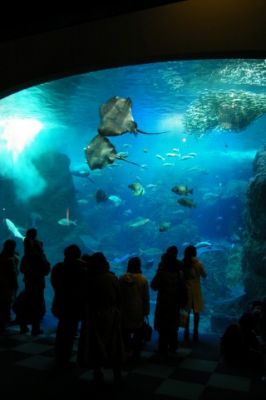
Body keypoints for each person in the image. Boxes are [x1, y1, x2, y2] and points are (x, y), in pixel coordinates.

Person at [78, 252, 125, 384]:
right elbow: (119, 298)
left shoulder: (89, 279)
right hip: (111, 314)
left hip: (93, 314)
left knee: (95, 343)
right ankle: (117, 373)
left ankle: (97, 371)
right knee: (113, 342)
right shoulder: (112, 278)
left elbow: (84, 297)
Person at [51, 244, 86, 368]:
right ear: (78, 255)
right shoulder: (81, 270)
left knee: (62, 329)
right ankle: (65, 357)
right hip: (74, 306)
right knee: (70, 331)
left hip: (60, 303)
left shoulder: (58, 267)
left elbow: (54, 283)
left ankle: (59, 355)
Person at [151, 247, 186, 357]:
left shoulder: (162, 271)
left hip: (163, 302)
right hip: (175, 302)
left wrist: (159, 272)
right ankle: (173, 346)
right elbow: (183, 287)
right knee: (173, 324)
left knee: (162, 325)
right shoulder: (180, 269)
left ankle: (163, 348)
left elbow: (153, 285)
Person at [19, 228, 50, 335]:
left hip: (28, 281)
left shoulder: (26, 256)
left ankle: (23, 326)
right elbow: (46, 270)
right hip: (38, 283)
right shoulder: (40, 256)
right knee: (37, 305)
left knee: (26, 303)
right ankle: (35, 328)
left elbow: (22, 269)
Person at [119, 256, 150, 362]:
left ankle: (125, 351)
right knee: (138, 332)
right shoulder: (143, 279)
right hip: (138, 309)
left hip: (124, 309)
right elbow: (146, 297)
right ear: (139, 266)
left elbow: (118, 295)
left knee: (125, 331)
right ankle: (136, 354)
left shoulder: (122, 278)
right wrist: (146, 311)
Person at [182, 245, 207, 343]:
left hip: (186, 290)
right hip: (196, 291)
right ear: (195, 253)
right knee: (196, 312)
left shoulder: (182, 263)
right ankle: (195, 331)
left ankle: (186, 331)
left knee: (186, 312)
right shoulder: (198, 263)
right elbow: (204, 275)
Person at [0, 239, 19, 332]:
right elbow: (13, 274)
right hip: (8, 285)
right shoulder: (10, 260)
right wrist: (15, 284)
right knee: (7, 303)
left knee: (3, 303)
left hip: (2, 284)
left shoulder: (2, 256)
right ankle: (3, 323)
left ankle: (3, 321)